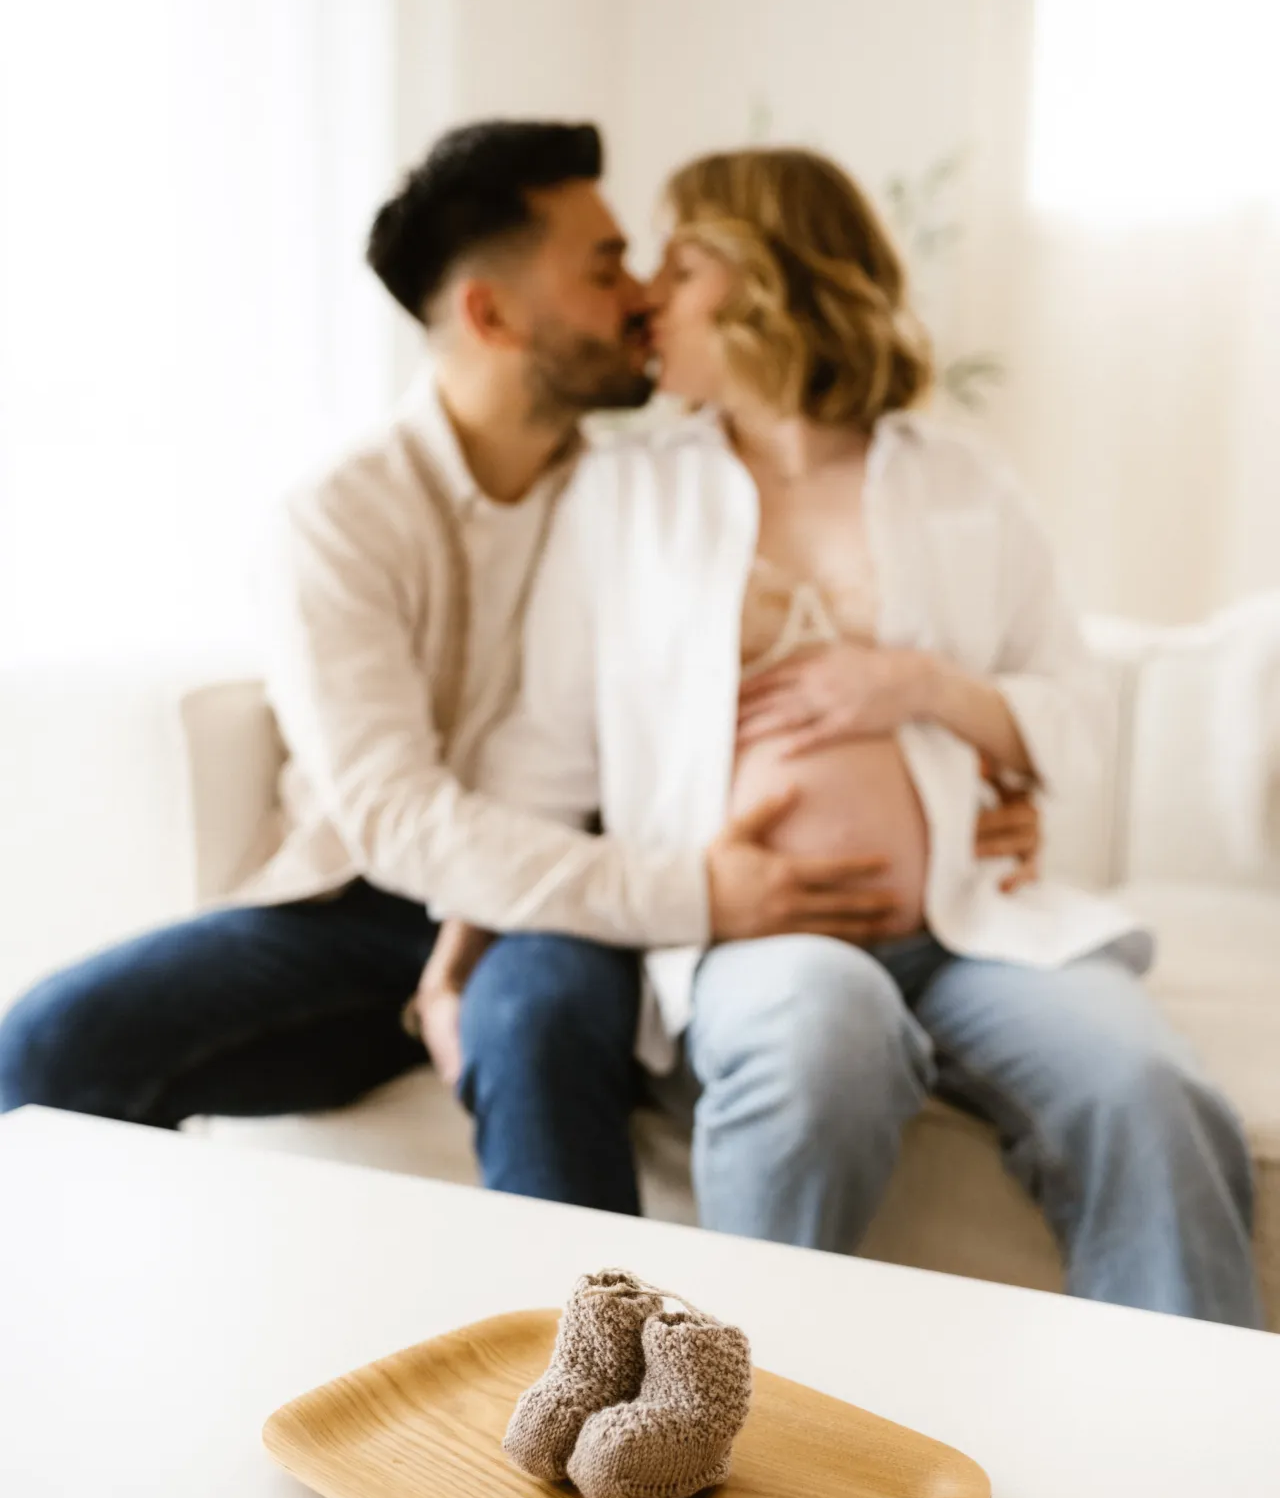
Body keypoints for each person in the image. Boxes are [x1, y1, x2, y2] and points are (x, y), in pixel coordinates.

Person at [0, 121, 1036, 1216]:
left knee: (534, 1019)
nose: (644, 293)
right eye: (604, 267)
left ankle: (608, 1381)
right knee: (49, 1045)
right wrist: (693, 890)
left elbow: (840, 652)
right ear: (492, 316)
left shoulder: (660, 490)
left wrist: (963, 799)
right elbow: (395, 818)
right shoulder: (339, 520)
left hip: (576, 894)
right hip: (363, 905)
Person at [431, 144, 1261, 1326]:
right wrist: (459, 944)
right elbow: (543, 756)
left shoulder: (961, 484)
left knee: (1146, 1088)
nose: (646, 299)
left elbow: (1079, 721)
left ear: (765, 279)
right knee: (821, 1040)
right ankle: (722, 1430)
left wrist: (919, 685)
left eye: (678, 267)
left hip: (971, 922)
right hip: (766, 930)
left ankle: (1188, 1466)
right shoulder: (624, 497)